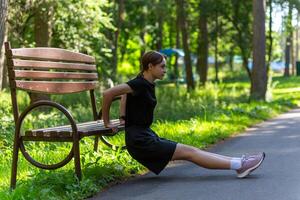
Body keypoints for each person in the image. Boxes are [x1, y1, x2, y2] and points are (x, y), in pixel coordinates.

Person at [102, 50, 265, 178]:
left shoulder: (143, 83)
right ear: (150, 66)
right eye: (162, 66)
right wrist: (107, 122)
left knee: (191, 151)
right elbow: (107, 94)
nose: (165, 70)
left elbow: (125, 95)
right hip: (140, 141)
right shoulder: (140, 83)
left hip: (144, 136)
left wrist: (123, 117)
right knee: (190, 153)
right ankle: (239, 165)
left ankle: (240, 163)